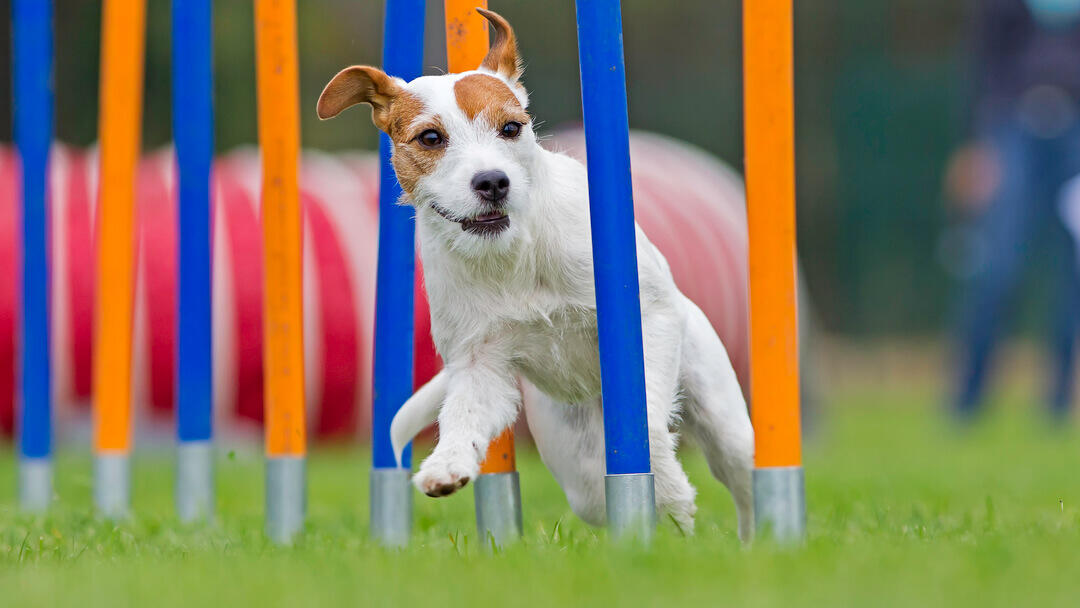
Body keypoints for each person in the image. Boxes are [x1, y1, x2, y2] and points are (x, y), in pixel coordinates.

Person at [949, 0, 1080, 419]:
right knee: (997, 268)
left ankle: (1058, 405)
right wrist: (975, 145)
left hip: (1076, 130)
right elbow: (983, 60)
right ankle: (967, 401)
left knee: (1073, 275)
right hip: (1011, 126)